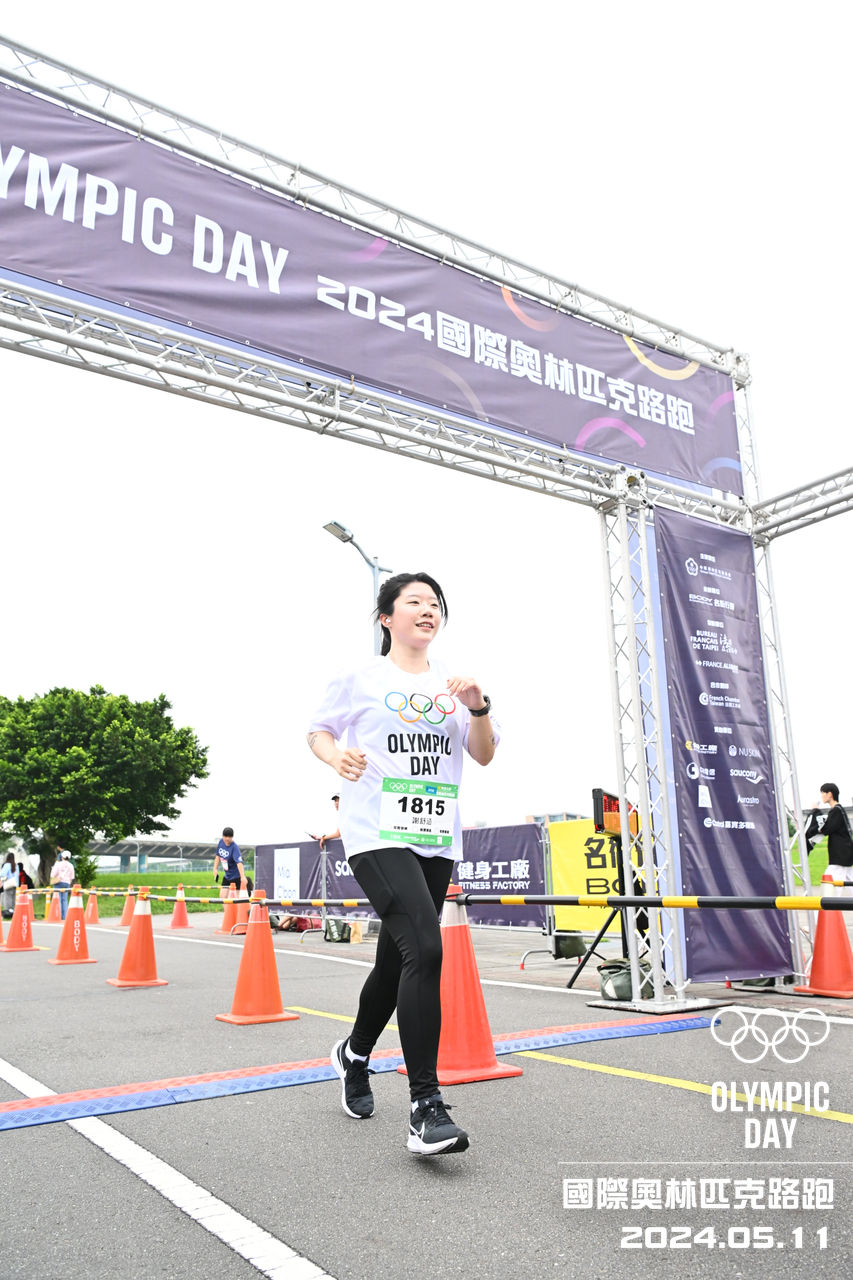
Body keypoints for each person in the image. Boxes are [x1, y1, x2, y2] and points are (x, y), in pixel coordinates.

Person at [307, 571, 499, 1156]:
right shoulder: (360, 677)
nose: (427, 609)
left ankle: (354, 1053)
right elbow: (318, 732)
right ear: (387, 617)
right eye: (414, 601)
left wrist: (479, 706)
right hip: (375, 832)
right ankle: (425, 1107)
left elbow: (484, 754)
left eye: (435, 603)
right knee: (427, 948)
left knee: (398, 962)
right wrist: (336, 757)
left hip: (434, 837)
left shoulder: (455, 684)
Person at [806, 783, 853, 892]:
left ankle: (827, 903)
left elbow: (826, 828)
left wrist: (816, 811)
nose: (822, 796)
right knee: (848, 882)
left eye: (823, 793)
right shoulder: (839, 810)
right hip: (845, 852)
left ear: (830, 794)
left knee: (830, 882)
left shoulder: (836, 810)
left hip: (840, 854)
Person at [213, 826, 247, 894]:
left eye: (230, 837)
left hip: (236, 877)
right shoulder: (221, 842)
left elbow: (239, 863)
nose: (227, 838)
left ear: (232, 837)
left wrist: (243, 877)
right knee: (222, 896)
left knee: (236, 898)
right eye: (225, 836)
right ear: (222, 836)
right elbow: (218, 855)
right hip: (227, 876)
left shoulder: (234, 847)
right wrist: (215, 869)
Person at [49, 844, 75, 919]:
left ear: (62, 857)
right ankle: (65, 916)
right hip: (67, 883)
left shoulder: (58, 864)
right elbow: (72, 877)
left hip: (58, 883)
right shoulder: (71, 865)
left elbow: (52, 874)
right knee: (64, 900)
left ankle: (58, 915)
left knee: (58, 899)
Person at [1, 852, 17, 918]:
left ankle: (8, 913)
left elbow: (2, 874)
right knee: (13, 899)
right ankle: (13, 913)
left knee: (7, 899)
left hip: (8, 884)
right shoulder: (16, 865)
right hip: (15, 884)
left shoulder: (7, 865)